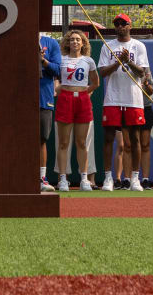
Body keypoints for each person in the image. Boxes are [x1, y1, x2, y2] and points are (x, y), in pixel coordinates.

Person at [96, 13, 149, 191]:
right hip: (113, 97)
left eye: (123, 23)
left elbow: (142, 72)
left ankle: (134, 178)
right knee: (109, 138)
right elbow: (102, 72)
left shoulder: (138, 46)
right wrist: (118, 62)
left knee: (134, 139)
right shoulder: (108, 46)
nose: (120, 26)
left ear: (130, 25)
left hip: (133, 98)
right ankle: (108, 178)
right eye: (117, 24)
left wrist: (128, 62)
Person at [54, 30, 99, 191]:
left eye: (78, 40)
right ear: (67, 43)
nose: (75, 42)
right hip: (65, 98)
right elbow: (56, 79)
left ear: (83, 43)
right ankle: (63, 179)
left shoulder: (88, 61)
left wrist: (83, 94)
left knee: (81, 142)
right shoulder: (61, 60)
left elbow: (95, 82)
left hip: (82, 100)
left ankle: (84, 179)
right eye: (72, 39)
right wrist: (59, 90)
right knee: (64, 142)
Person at [37, 31, 63, 192]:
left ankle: (41, 178)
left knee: (41, 139)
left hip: (43, 96)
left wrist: (43, 61)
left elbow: (58, 69)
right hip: (17, 96)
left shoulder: (50, 43)